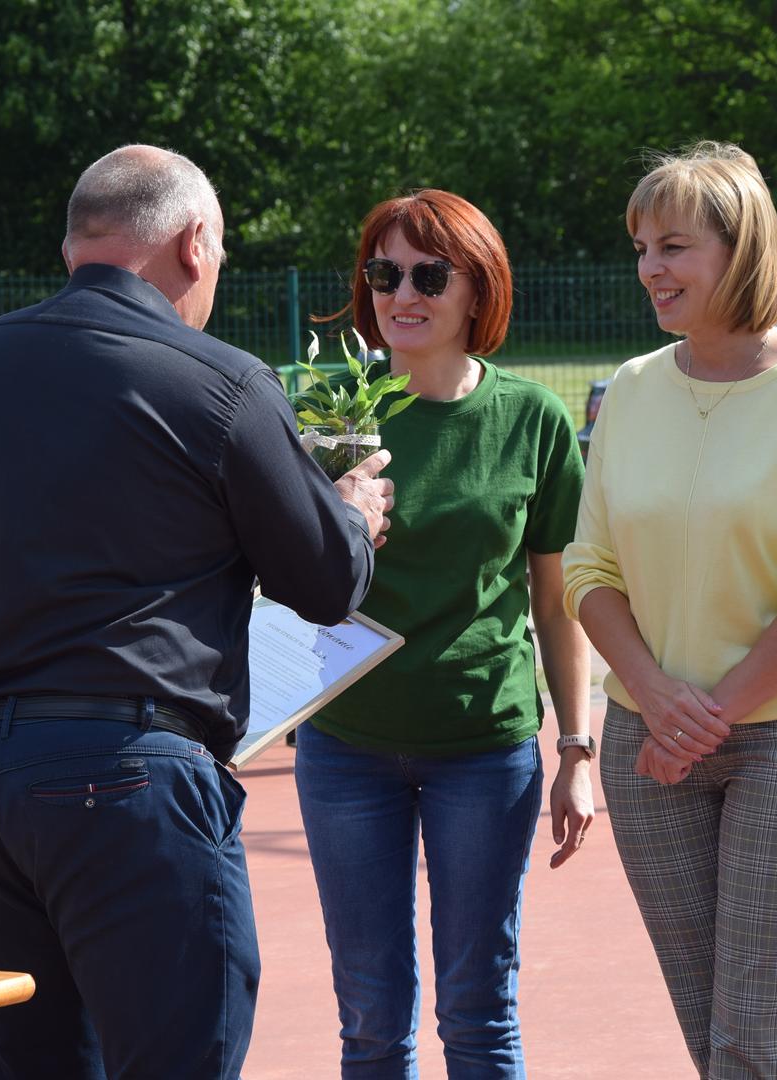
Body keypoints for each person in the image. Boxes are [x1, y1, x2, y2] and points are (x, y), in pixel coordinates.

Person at [0, 144, 392, 1079]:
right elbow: (328, 584)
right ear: (194, 242)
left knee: (39, 1058)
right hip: (124, 776)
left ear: (76, 244)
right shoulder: (217, 379)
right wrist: (353, 516)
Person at [562, 142, 777, 1078]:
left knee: (754, 1037)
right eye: (641, 248)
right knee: (711, 1034)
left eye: (673, 247)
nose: (650, 270)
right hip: (648, 740)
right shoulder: (629, 389)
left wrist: (699, 718)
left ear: (739, 251)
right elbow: (588, 567)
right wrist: (655, 698)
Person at [294, 188, 592, 1078]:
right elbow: (279, 585)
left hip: (484, 750)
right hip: (346, 746)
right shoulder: (328, 419)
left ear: (479, 289)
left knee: (479, 1010)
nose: (402, 294)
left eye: (430, 273)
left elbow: (557, 597)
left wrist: (576, 749)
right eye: (383, 272)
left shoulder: (533, 418)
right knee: (372, 1021)